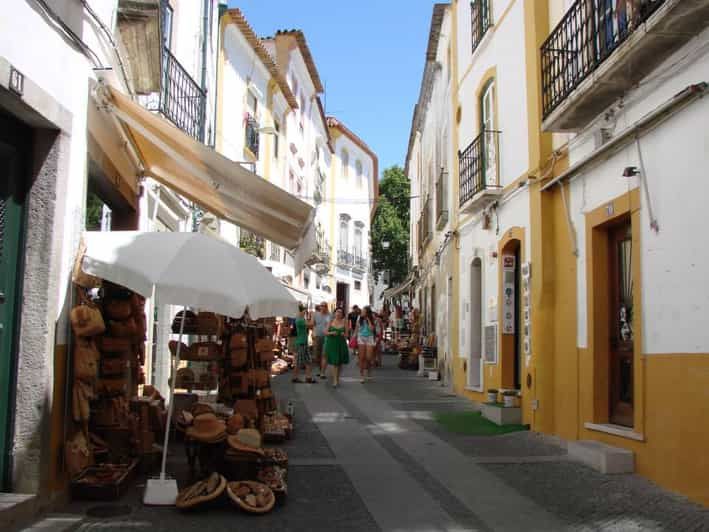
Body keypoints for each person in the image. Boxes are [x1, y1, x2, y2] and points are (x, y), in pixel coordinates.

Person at [324, 307, 349, 387]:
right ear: (334, 313)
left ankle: (337, 378)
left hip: (341, 344)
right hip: (332, 344)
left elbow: (347, 335)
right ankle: (335, 380)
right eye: (337, 312)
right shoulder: (331, 321)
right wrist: (331, 333)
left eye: (340, 312)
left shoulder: (345, 322)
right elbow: (325, 332)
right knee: (335, 363)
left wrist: (343, 334)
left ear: (342, 314)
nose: (338, 313)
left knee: (339, 363)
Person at [293, 305, 316, 384]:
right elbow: (311, 324)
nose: (305, 312)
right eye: (304, 311)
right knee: (299, 362)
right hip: (301, 343)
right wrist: (313, 316)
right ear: (300, 311)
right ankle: (295, 377)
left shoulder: (301, 319)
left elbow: (309, 324)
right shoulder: (300, 320)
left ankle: (308, 377)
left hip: (304, 343)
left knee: (308, 361)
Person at [354, 306, 377, 383]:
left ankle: (369, 370)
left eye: (363, 311)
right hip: (361, 338)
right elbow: (357, 329)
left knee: (369, 357)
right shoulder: (359, 318)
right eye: (362, 311)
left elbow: (372, 329)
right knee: (362, 357)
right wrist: (353, 337)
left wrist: (368, 320)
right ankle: (362, 375)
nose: (362, 313)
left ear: (367, 313)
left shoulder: (372, 318)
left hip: (370, 338)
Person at [313, 301, 331, 379]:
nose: (323, 307)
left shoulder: (330, 315)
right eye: (321, 305)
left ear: (326, 307)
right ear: (320, 307)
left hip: (327, 337)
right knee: (317, 355)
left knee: (324, 354)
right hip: (317, 336)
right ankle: (320, 370)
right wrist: (313, 333)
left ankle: (322, 372)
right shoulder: (315, 315)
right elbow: (313, 324)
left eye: (324, 306)